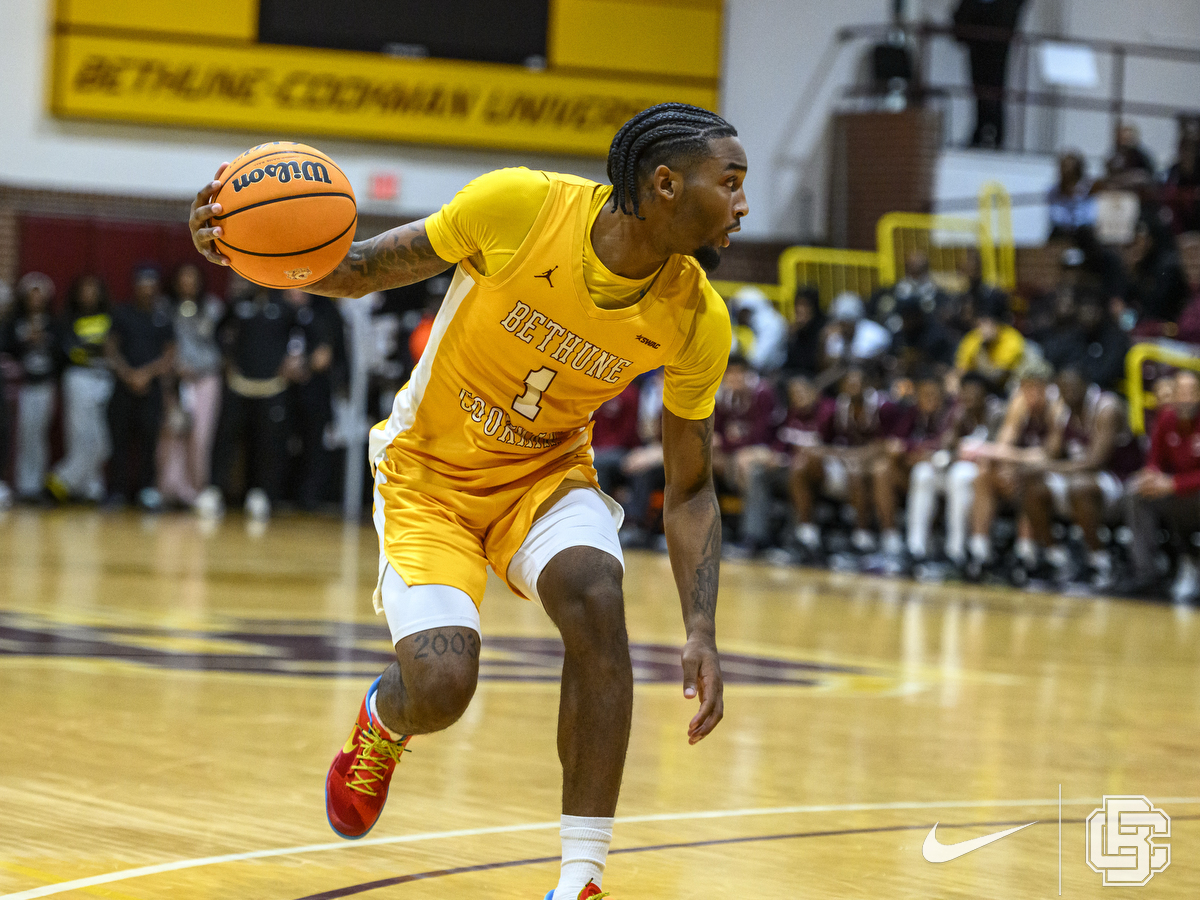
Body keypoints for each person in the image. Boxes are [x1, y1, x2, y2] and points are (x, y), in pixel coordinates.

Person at [192, 101, 743, 900]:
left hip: (544, 477)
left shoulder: (698, 319)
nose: (742, 204)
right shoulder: (520, 205)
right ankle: (385, 718)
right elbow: (358, 268)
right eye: (729, 183)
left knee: (596, 595)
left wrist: (701, 628)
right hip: (431, 478)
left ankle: (581, 880)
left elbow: (690, 488)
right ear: (663, 184)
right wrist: (241, 245)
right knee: (443, 691)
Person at [1022, 369, 1142, 587]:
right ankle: (1056, 559)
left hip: (1119, 479)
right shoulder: (1064, 412)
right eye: (1063, 389)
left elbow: (1095, 462)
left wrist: (1049, 467)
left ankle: (1099, 562)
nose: (1068, 393)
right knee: (1033, 487)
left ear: (1087, 385)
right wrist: (1028, 466)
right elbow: (1052, 451)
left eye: (1072, 387)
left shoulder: (1107, 408)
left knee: (1080, 486)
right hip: (1077, 477)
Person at [197, 274, 300, 521]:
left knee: (267, 443)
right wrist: (227, 359)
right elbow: (219, 331)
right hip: (239, 384)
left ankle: (261, 494)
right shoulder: (238, 303)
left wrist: (294, 360)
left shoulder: (285, 307)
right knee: (225, 438)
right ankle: (214, 491)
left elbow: (302, 335)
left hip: (272, 387)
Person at [959, 353, 1054, 580]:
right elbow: (1003, 445)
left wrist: (986, 450)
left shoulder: (1056, 408)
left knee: (1028, 479)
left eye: (1036, 388)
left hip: (1057, 473)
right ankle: (979, 551)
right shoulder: (1019, 403)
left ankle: (1027, 553)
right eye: (1026, 388)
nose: (1031, 394)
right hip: (1025, 469)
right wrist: (1003, 465)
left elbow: (1046, 456)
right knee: (985, 473)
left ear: (1047, 388)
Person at [906, 371, 1000, 570]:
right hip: (958, 468)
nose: (970, 399)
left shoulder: (997, 414)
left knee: (960, 474)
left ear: (985, 396)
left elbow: (997, 452)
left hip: (985, 475)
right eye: (966, 394)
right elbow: (946, 445)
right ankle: (916, 547)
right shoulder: (957, 413)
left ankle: (955, 550)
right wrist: (951, 440)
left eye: (975, 395)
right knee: (922, 473)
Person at [1124, 370, 1200, 603]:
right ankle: (1146, 573)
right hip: (1175, 493)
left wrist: (1173, 483)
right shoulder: (1166, 418)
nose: (1185, 398)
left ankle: (1189, 561)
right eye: (1180, 392)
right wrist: (1151, 476)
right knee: (1136, 491)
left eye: (1191, 392)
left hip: (1192, 492)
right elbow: (1154, 459)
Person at [790, 367, 882, 556]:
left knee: (856, 471)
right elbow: (825, 443)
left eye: (857, 384)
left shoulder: (882, 407)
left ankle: (861, 537)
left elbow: (884, 445)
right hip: (839, 463)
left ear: (868, 386)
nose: (853, 388)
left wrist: (853, 456)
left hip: (867, 466)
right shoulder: (836, 409)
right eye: (848, 384)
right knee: (800, 467)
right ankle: (806, 534)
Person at [106, 265, 176, 509]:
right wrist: (128, 374)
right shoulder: (122, 313)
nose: (147, 289)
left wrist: (145, 374)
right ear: (135, 286)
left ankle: (147, 491)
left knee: (149, 442)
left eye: (151, 284)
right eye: (142, 284)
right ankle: (116, 491)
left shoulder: (163, 317)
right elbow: (111, 349)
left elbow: (170, 355)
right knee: (119, 441)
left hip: (151, 389)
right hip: (123, 387)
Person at [157, 263, 224, 508]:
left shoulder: (213, 308)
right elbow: (163, 342)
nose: (187, 283)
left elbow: (221, 344)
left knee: (200, 435)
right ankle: (169, 490)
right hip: (176, 380)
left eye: (192, 278)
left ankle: (196, 491)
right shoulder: (165, 308)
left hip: (205, 378)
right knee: (172, 432)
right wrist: (175, 367)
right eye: (183, 278)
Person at [871, 373, 954, 561]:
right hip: (916, 471)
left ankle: (924, 543)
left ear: (943, 394)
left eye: (934, 394)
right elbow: (893, 444)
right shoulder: (913, 413)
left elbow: (943, 447)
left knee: (923, 473)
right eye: (925, 394)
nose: (930, 399)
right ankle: (890, 538)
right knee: (882, 470)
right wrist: (910, 453)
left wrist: (910, 451)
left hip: (944, 475)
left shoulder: (951, 413)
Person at [48, 275, 113, 503]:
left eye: (93, 289)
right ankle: (68, 484)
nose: (89, 294)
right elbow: (68, 351)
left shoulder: (110, 318)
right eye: (84, 289)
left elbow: (114, 350)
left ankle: (70, 482)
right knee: (80, 436)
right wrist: (93, 349)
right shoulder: (67, 319)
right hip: (78, 376)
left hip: (104, 378)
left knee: (102, 443)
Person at [711, 355, 782, 553]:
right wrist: (725, 442)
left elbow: (761, 436)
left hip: (768, 451)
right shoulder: (725, 396)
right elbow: (717, 433)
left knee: (751, 468)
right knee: (703, 461)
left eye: (737, 374)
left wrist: (727, 443)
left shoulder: (763, 394)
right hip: (738, 453)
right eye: (729, 375)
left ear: (747, 374)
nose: (732, 379)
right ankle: (711, 528)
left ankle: (753, 538)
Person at [1, 273, 62, 501]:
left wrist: (45, 341)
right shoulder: (15, 323)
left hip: (46, 383)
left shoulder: (53, 323)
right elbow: (7, 349)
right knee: (25, 434)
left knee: (40, 435)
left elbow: (60, 355)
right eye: (31, 295)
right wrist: (26, 342)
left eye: (40, 295)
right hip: (23, 385)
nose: (36, 300)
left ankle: (38, 484)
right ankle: (25, 486)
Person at [952, 0, 1029, 149]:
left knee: (996, 88)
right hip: (977, 41)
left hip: (998, 42)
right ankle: (982, 129)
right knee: (978, 88)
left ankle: (996, 133)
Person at [954, 292, 1024, 393]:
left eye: (990, 322)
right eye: (982, 321)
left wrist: (984, 346)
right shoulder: (972, 338)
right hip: (979, 391)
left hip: (1005, 390)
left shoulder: (1012, 338)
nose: (985, 326)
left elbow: (996, 377)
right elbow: (960, 371)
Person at [728, 285, 787, 372]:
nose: (739, 317)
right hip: (755, 370)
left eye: (741, 312)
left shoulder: (771, 324)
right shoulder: (751, 324)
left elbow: (758, 359)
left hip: (772, 372)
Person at [1047, 151, 1097, 239]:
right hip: (1062, 230)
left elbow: (1090, 217)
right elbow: (1055, 216)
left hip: (1082, 231)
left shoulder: (1088, 188)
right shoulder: (1054, 191)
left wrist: (1076, 198)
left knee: (1087, 234)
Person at [782, 286, 825, 377]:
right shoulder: (795, 331)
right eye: (798, 304)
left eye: (805, 305)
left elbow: (817, 364)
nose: (800, 309)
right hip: (795, 376)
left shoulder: (824, 328)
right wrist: (791, 338)